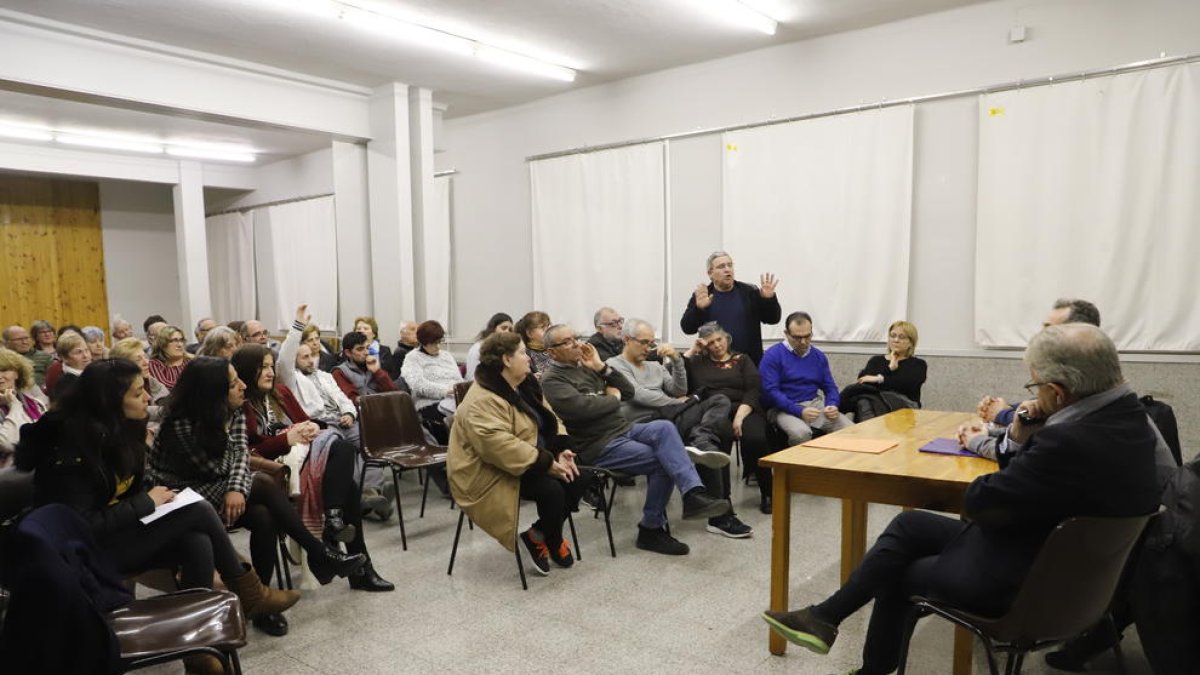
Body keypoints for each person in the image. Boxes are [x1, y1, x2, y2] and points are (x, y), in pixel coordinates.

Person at [762, 323, 1161, 675]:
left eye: (1035, 386)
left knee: (898, 572)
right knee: (909, 524)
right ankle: (824, 616)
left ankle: (870, 667)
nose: (1034, 395)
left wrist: (1024, 433)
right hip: (1079, 581)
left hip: (1026, 585)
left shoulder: (1065, 440)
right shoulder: (1133, 421)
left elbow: (982, 503)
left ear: (1058, 392)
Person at [15, 359, 299, 670]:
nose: (148, 399)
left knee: (196, 540)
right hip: (83, 556)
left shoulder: (119, 431)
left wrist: (152, 499)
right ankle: (249, 593)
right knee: (198, 511)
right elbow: (81, 526)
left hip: (115, 535)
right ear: (110, 401)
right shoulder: (72, 452)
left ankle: (201, 648)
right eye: (138, 394)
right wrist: (146, 503)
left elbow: (133, 489)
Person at [148, 357, 367, 636]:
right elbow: (219, 467)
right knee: (262, 482)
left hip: (222, 486)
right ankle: (318, 553)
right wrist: (239, 484)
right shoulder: (180, 424)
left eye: (240, 378)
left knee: (264, 516)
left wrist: (237, 488)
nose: (242, 386)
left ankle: (261, 601)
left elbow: (240, 455)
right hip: (182, 496)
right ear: (212, 391)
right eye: (233, 383)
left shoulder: (234, 409)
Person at [540, 324, 731, 556]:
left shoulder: (589, 365)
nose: (577, 344)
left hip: (623, 428)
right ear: (551, 352)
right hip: (598, 444)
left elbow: (627, 392)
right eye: (568, 342)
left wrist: (602, 368)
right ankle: (651, 529)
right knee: (665, 460)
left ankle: (692, 493)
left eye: (576, 337)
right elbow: (583, 409)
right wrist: (612, 398)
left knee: (664, 427)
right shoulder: (552, 380)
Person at [232, 344, 393, 592]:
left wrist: (311, 427)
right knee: (346, 482)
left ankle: (334, 523)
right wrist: (286, 439)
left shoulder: (281, 392)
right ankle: (353, 557)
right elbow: (251, 452)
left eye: (269, 367)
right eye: (262, 367)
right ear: (245, 371)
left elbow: (304, 419)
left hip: (304, 459)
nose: (270, 373)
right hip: (274, 469)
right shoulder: (241, 404)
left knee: (341, 453)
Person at [449, 332, 591, 576]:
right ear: (506, 359)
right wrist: (545, 462)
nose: (529, 358)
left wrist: (561, 448)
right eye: (523, 353)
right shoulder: (481, 399)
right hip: (487, 470)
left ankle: (539, 535)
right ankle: (553, 541)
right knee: (552, 490)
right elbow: (498, 446)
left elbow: (551, 418)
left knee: (580, 476)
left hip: (526, 459)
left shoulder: (525, 384)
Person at [606, 319, 748, 539]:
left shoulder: (654, 365)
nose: (648, 348)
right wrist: (677, 402)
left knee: (718, 405)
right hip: (645, 426)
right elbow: (635, 394)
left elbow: (678, 388)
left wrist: (676, 360)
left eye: (651, 343)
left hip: (670, 418)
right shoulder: (614, 365)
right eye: (644, 342)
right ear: (626, 340)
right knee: (708, 438)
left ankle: (702, 439)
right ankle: (720, 516)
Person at [684, 322, 774, 514]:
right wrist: (693, 350)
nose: (717, 345)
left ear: (727, 338)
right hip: (714, 411)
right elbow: (677, 379)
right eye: (710, 343)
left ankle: (768, 492)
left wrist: (740, 416)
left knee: (756, 438)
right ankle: (723, 498)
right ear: (704, 345)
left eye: (719, 339)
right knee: (720, 440)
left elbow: (753, 389)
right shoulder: (697, 363)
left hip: (745, 407)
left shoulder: (742, 359)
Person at [760, 312, 852, 445]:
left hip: (813, 404)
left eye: (807, 336)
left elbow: (830, 386)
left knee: (849, 430)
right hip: (782, 408)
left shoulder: (818, 356)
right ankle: (791, 465)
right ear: (786, 334)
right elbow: (771, 391)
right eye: (797, 337)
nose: (803, 342)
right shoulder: (772, 356)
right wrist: (799, 411)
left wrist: (832, 404)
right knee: (801, 433)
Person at [680, 251, 781, 364]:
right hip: (713, 365)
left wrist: (768, 299)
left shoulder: (749, 292)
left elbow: (773, 319)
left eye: (730, 265)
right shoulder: (703, 295)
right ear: (710, 273)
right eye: (721, 267)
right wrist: (699, 309)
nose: (727, 270)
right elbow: (687, 328)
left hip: (748, 363)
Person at [839, 320, 927, 422]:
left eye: (901, 337)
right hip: (875, 401)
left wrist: (878, 379)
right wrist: (889, 368)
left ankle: (865, 430)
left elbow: (906, 385)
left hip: (905, 406)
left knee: (866, 400)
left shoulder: (918, 364)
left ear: (911, 343)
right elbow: (863, 382)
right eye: (892, 336)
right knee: (861, 397)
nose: (896, 340)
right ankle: (834, 413)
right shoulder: (876, 361)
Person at [108, 337, 170, 429]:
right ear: (124, 365)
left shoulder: (150, 380)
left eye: (145, 357)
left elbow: (168, 402)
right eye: (138, 360)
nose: (146, 362)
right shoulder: (118, 387)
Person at [0, 348, 46, 468]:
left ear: (17, 374)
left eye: (4, 370)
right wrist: (14, 405)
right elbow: (7, 444)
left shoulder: (36, 404)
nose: (0, 376)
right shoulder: (16, 405)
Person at [332, 330, 398, 404]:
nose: (366, 352)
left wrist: (378, 372)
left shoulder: (373, 365)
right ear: (348, 353)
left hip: (381, 409)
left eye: (367, 348)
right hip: (360, 413)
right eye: (360, 349)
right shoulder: (339, 372)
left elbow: (394, 393)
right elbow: (351, 399)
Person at [464, 312, 513, 381]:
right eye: (503, 328)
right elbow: (473, 378)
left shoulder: (503, 348)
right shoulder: (478, 348)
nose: (507, 332)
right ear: (493, 329)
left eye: (510, 330)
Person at [46, 332, 93, 401]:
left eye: (87, 350)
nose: (86, 356)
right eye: (78, 352)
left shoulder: (95, 370)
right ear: (64, 357)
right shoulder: (61, 379)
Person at [352, 315, 400, 380]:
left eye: (366, 328)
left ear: (374, 334)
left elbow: (392, 374)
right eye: (358, 329)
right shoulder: (350, 350)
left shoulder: (385, 350)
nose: (361, 331)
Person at [147, 324, 191, 391]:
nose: (179, 345)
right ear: (163, 344)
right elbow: (163, 386)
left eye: (181, 340)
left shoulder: (192, 362)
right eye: (174, 340)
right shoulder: (154, 364)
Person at [514, 311, 553, 376]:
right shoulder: (524, 353)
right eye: (542, 327)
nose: (548, 330)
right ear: (530, 333)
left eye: (548, 326)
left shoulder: (554, 349)